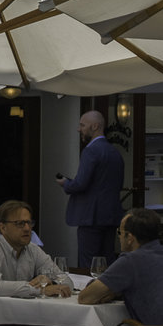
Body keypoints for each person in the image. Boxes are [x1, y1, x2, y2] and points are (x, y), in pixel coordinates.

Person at [60, 110, 124, 267]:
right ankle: (108, 291)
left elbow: (81, 183)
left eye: (82, 125)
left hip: (90, 216)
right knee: (107, 260)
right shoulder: (115, 152)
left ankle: (90, 291)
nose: (79, 129)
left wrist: (66, 183)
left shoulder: (90, 151)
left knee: (88, 263)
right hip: (111, 215)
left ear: (95, 126)